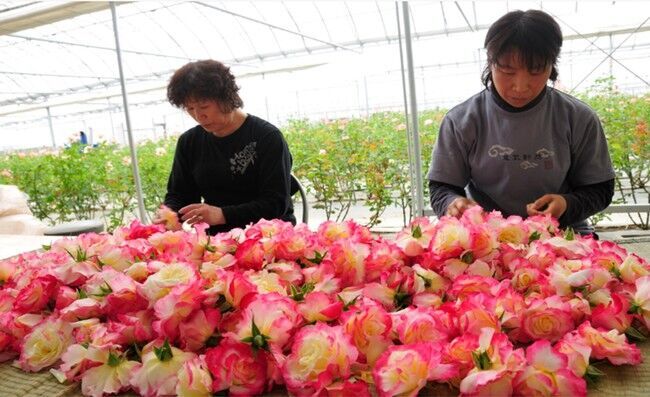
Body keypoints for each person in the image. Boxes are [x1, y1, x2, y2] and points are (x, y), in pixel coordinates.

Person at [427, 9, 615, 235]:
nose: (520, 86)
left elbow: (600, 189)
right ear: (490, 62)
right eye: (507, 70)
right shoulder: (461, 121)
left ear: (552, 66)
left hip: (563, 234)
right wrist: (453, 203)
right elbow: (441, 187)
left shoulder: (578, 118)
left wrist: (566, 205)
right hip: (487, 237)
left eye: (536, 70)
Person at [158, 59, 295, 234]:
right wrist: (169, 213)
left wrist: (221, 215)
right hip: (217, 239)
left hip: (268, 235)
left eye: (204, 106)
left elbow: (275, 204)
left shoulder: (266, 137)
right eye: (190, 108)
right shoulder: (189, 142)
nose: (199, 116)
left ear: (226, 98)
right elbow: (179, 194)